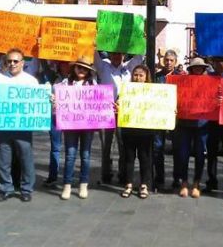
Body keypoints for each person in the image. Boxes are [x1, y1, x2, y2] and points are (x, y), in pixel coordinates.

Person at [0, 48, 40, 202]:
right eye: (9, 61)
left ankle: (26, 189)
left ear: (22, 63)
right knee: (3, 159)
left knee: (26, 158)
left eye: (15, 61)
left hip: (23, 127)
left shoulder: (31, 81)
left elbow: (38, 101)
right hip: (3, 126)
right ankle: (5, 188)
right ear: (5, 63)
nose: (12, 64)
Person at [95, 51, 144, 185]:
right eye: (114, 54)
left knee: (124, 144)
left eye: (119, 54)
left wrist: (142, 38)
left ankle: (123, 173)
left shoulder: (129, 67)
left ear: (123, 56)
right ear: (110, 55)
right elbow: (94, 55)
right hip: (105, 111)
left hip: (124, 111)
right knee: (106, 145)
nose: (117, 56)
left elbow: (140, 55)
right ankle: (106, 173)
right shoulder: (103, 67)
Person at [56, 59, 97, 200]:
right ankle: (67, 184)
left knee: (85, 155)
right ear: (74, 68)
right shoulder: (65, 83)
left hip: (87, 125)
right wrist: (54, 100)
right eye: (79, 67)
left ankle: (83, 183)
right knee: (70, 155)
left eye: (84, 68)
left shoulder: (93, 84)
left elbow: (99, 101)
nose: (81, 70)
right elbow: (57, 98)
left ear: (89, 71)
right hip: (70, 125)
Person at [173, 57, 209, 198]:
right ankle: (184, 183)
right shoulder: (183, 82)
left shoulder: (209, 83)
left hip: (202, 124)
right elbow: (175, 97)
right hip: (184, 123)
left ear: (204, 69)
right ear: (191, 69)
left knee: (200, 154)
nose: (198, 69)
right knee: (183, 154)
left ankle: (196, 183)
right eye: (195, 67)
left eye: (200, 67)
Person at [119, 64, 155, 199]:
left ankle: (144, 185)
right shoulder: (126, 90)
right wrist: (118, 106)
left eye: (141, 75)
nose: (138, 77)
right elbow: (120, 103)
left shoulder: (153, 91)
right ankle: (128, 184)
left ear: (146, 77)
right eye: (135, 75)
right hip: (129, 129)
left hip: (146, 130)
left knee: (145, 158)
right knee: (129, 158)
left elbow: (160, 106)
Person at [205, 55, 223, 192]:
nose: (220, 64)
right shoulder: (208, 78)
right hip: (212, 121)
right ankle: (211, 180)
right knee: (211, 152)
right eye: (217, 61)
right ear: (213, 64)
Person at [154, 49, 180, 191]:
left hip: (175, 118)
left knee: (177, 149)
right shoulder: (156, 76)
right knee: (158, 148)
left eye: (171, 60)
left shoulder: (181, 77)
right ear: (163, 61)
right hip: (158, 118)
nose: (168, 62)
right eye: (167, 60)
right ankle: (159, 178)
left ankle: (177, 178)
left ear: (176, 62)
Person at [43, 60, 69, 187]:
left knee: (71, 150)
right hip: (54, 116)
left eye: (68, 63)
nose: (65, 65)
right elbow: (43, 63)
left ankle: (68, 178)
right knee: (55, 148)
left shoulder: (77, 79)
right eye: (63, 63)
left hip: (71, 118)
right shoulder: (53, 77)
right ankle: (53, 176)